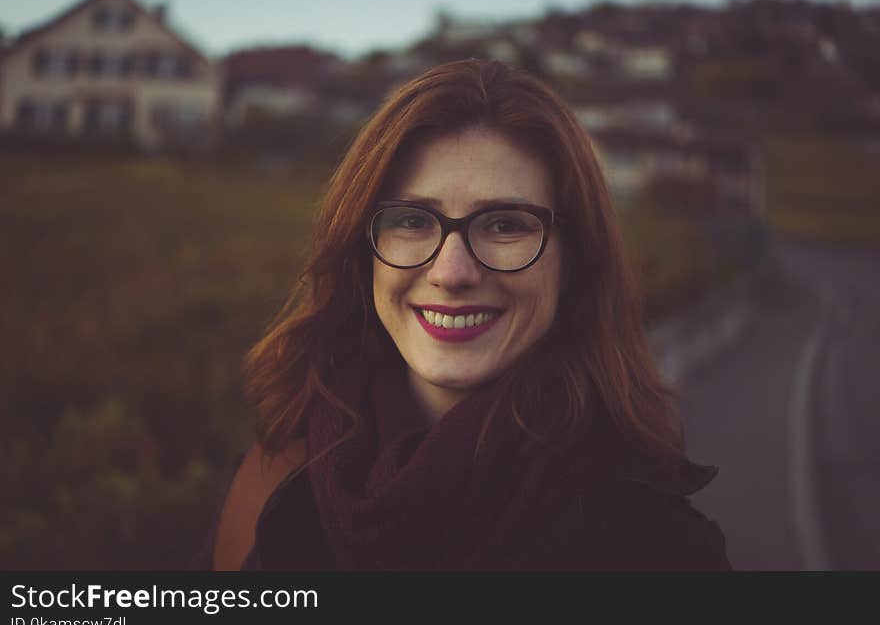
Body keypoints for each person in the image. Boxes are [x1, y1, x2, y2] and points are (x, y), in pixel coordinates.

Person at [191, 58, 731, 571]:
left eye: (504, 225)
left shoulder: (657, 550)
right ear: (362, 250)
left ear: (576, 260)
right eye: (411, 221)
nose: (451, 272)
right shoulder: (277, 482)